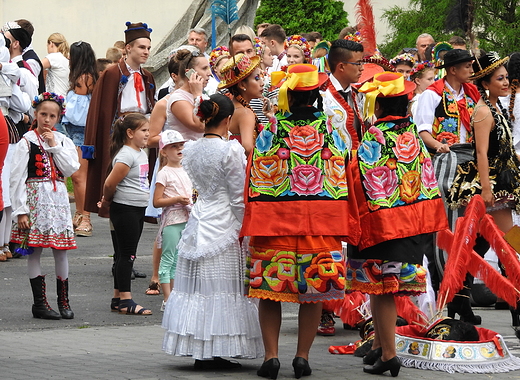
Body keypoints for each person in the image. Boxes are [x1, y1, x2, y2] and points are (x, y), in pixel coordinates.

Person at [241, 63, 358, 379]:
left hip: (274, 227)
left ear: (287, 98)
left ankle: (271, 356)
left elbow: (255, 178)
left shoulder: (272, 131)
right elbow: (343, 179)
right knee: (314, 293)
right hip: (320, 227)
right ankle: (302, 357)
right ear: (316, 97)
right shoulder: (331, 134)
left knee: (269, 292)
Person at [349, 72, 448, 376]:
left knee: (381, 290)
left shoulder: (376, 136)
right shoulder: (413, 137)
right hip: (412, 224)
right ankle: (380, 345)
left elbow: (358, 174)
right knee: (387, 287)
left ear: (378, 108)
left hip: (383, 225)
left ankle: (389, 354)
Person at [162, 93, 263, 368]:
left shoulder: (192, 148)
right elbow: (237, 196)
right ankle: (215, 350)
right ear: (228, 120)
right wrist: (246, 227)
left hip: (198, 220)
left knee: (198, 289)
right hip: (224, 223)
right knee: (221, 289)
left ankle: (201, 350)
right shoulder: (230, 150)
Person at [415, 49, 483, 323]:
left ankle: (461, 295)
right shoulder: (432, 94)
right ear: (452, 69)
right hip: (446, 161)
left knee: (472, 229)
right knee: (446, 229)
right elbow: (423, 130)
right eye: (466, 66)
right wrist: (439, 146)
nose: (470, 69)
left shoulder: (472, 94)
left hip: (472, 161)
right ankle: (450, 294)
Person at [84, 22, 155, 280]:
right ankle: (120, 258)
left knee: (136, 195)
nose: (146, 51)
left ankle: (127, 256)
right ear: (128, 48)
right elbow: (101, 111)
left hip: (141, 137)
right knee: (119, 199)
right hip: (119, 140)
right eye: (141, 47)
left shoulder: (147, 76)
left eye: (148, 47)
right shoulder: (112, 74)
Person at [10, 92, 80, 319]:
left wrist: (54, 146)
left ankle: (64, 300)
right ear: (35, 115)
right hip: (35, 201)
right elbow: (16, 178)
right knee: (35, 251)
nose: (47, 119)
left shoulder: (63, 141)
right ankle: (39, 303)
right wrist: (21, 210)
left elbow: (70, 169)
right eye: (43, 114)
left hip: (57, 201)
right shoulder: (26, 142)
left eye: (52, 115)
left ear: (58, 118)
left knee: (61, 252)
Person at [447, 52, 520, 231]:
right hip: (492, 182)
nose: (505, 83)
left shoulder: (494, 107)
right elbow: (481, 152)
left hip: (503, 177)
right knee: (508, 239)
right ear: (486, 84)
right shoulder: (483, 112)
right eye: (500, 79)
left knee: (489, 240)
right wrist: (486, 189)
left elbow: (504, 148)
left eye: (506, 78)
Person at [98, 113, 152, 315]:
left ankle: (117, 297)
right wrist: (107, 201)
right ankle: (126, 300)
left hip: (137, 208)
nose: (148, 134)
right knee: (127, 255)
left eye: (148, 130)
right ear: (130, 133)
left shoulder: (139, 153)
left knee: (123, 254)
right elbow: (110, 183)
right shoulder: (126, 155)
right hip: (125, 208)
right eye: (144, 131)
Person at [62, 41, 98, 237]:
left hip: (82, 132)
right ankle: (79, 213)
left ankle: (86, 217)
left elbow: (78, 111)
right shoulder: (83, 76)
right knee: (77, 177)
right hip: (76, 132)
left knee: (79, 176)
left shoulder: (85, 78)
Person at [153, 130, 192, 311]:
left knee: (178, 260)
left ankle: (174, 295)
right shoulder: (164, 173)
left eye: (180, 145)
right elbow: (157, 201)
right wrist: (176, 199)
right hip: (171, 221)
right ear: (164, 151)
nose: (178, 149)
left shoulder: (187, 169)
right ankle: (167, 298)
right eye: (173, 146)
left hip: (186, 218)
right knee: (168, 258)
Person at [218, 53, 264, 155]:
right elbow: (247, 147)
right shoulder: (245, 113)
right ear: (242, 85)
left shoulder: (233, 107)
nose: (262, 83)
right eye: (257, 78)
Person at [167, 49, 210, 141]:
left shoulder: (205, 96)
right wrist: (197, 95)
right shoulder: (177, 98)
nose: (209, 73)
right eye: (204, 68)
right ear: (190, 72)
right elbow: (200, 126)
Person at [42, 33, 70, 97]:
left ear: (51, 44)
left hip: (55, 99)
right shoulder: (65, 58)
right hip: (64, 98)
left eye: (47, 45)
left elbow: (36, 66)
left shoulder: (53, 57)